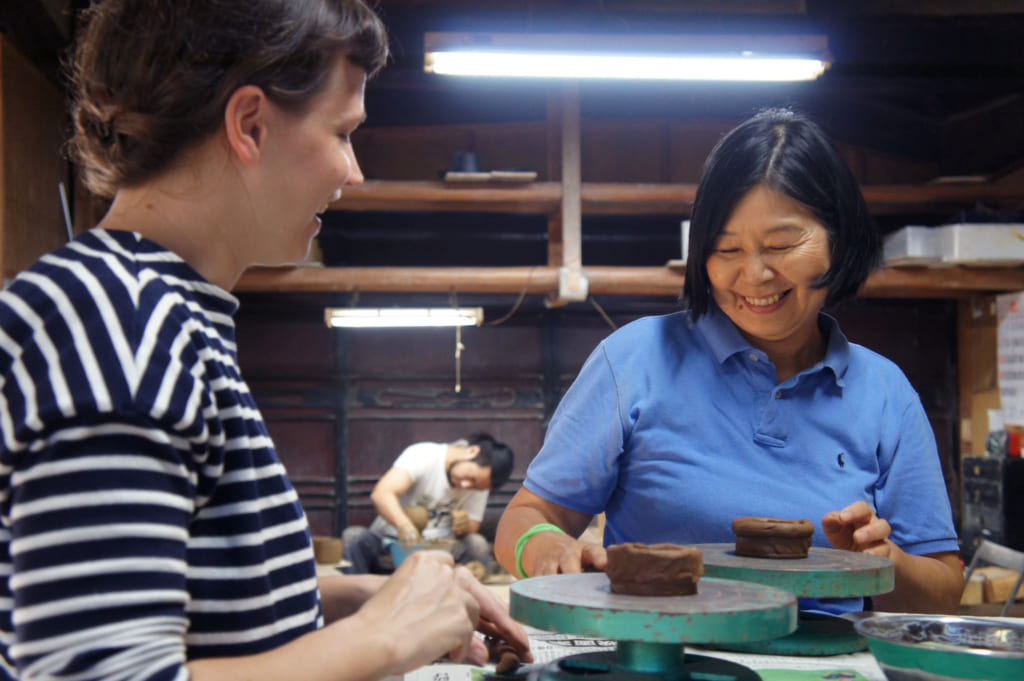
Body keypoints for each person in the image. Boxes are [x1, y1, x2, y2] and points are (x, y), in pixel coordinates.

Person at [0, 1, 531, 680]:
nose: (354, 171)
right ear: (250, 125)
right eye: (343, 133)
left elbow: (207, 591)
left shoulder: (167, 316)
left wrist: (358, 595)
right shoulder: (114, 321)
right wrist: (382, 636)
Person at [494, 108, 963, 616]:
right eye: (726, 248)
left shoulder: (886, 393)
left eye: (782, 245)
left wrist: (881, 561)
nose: (754, 275)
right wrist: (547, 549)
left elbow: (943, 586)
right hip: (657, 656)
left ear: (839, 239)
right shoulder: (635, 360)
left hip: (824, 666)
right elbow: (527, 516)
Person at [343, 434, 514, 575]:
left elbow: (473, 526)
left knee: (476, 543)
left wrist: (464, 526)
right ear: (472, 451)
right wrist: (404, 526)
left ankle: (471, 608)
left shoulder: (480, 485)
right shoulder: (424, 455)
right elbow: (382, 494)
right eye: (471, 478)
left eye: (475, 486)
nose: (466, 486)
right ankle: (358, 604)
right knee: (354, 537)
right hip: (393, 545)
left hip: (441, 551)